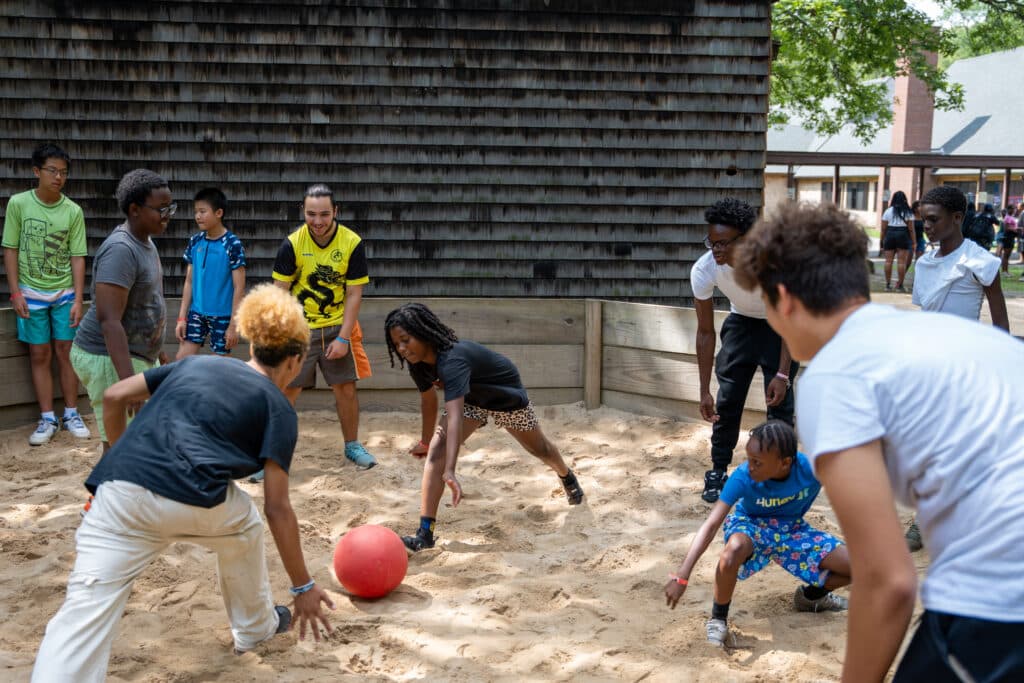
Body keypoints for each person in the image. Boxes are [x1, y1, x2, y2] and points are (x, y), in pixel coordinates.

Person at [732, 200, 1024, 682]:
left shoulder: (836, 374)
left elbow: (888, 580)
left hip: (1000, 601)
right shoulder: (942, 335)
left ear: (783, 300)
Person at [31, 285, 334, 682]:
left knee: (82, 614)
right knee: (245, 523)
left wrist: (115, 455)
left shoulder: (196, 364)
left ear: (253, 344)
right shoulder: (279, 407)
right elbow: (278, 508)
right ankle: (255, 628)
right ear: (295, 361)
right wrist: (303, 587)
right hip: (194, 498)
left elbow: (115, 395)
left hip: (119, 492)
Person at [384, 303, 585, 552]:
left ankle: (566, 474)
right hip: (470, 400)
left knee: (540, 449)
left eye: (406, 340)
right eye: (396, 344)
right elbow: (428, 400)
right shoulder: (418, 365)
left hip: (504, 398)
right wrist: (426, 442)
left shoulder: (452, 360)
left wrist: (451, 470)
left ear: (423, 333)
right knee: (437, 450)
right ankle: (425, 535)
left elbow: (454, 416)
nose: (402, 349)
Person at [663, 421, 851, 647]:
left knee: (859, 566)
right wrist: (682, 575)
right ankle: (718, 619)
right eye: (749, 459)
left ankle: (812, 596)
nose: (749, 466)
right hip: (750, 524)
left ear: (785, 463)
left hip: (792, 529)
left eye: (757, 462)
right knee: (732, 551)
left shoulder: (811, 470)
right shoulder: (743, 477)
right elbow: (711, 524)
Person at [690, 197, 797, 504]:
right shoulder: (705, 269)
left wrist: (782, 373)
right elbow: (705, 332)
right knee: (728, 399)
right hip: (741, 324)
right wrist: (703, 390)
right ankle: (719, 469)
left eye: (724, 243)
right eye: (712, 242)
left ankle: (779, 475)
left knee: (780, 404)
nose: (716, 250)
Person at [265, 183, 375, 475]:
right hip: (300, 329)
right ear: (303, 211)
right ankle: (272, 455)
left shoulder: (351, 243)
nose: (317, 221)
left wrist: (342, 336)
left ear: (335, 212)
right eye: (311, 214)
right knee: (286, 391)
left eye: (324, 214)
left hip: (337, 325)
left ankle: (352, 445)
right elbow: (280, 292)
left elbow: (354, 294)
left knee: (346, 389)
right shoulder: (292, 243)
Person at [70, 169, 170, 452]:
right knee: (119, 446)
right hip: (107, 356)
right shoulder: (121, 251)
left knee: (138, 440)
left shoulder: (146, 240)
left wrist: (158, 349)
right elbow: (109, 321)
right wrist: (129, 384)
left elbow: (148, 300)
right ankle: (105, 495)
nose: (167, 215)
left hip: (137, 354)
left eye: (170, 207)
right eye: (160, 209)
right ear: (135, 209)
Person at [2, 142, 90, 444]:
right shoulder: (18, 204)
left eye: (63, 172)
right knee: (39, 353)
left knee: (67, 353)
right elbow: (10, 249)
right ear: (36, 171)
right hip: (30, 293)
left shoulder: (73, 211)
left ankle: (71, 413)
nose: (58, 178)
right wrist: (15, 293)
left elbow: (78, 256)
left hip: (65, 292)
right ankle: (47, 418)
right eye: (52, 171)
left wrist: (79, 299)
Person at [175, 187, 246, 359]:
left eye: (202, 211)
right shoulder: (195, 241)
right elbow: (189, 281)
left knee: (219, 367)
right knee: (181, 361)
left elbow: (239, 287)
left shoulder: (232, 244)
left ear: (219, 212)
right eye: (196, 212)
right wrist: (181, 318)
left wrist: (233, 325)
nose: (198, 216)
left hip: (223, 316)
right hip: (197, 313)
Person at [879, 190, 914, 291]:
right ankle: (900, 286)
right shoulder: (908, 212)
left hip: (890, 234)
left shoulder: (888, 211)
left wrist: (881, 241)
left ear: (893, 199)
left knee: (888, 261)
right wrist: (914, 242)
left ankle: (887, 285)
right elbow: (911, 230)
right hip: (903, 234)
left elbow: (883, 229)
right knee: (901, 262)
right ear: (905, 200)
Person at [998, 204, 1017, 275]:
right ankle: (1004, 271)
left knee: (1007, 256)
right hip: (1008, 237)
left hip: (1010, 237)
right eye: (1013, 209)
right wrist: (1015, 230)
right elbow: (1006, 228)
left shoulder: (1010, 217)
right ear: (1009, 209)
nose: (1014, 210)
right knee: (1006, 255)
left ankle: (1006, 270)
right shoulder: (1007, 217)